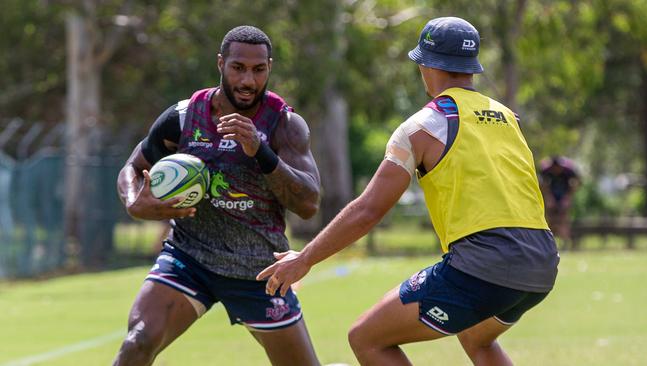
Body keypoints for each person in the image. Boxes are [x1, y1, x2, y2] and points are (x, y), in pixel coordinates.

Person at [258, 17, 560, 366]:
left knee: (367, 338)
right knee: (477, 339)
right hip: (542, 262)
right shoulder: (508, 117)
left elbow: (369, 209)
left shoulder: (422, 126)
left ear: (426, 65)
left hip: (484, 265)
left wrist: (305, 258)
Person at [114, 26, 321, 366]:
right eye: (238, 67)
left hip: (257, 271)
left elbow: (309, 204)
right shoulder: (182, 118)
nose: (248, 81)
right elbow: (133, 168)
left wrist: (261, 151)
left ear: (269, 67)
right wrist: (135, 201)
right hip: (188, 259)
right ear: (221, 64)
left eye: (258, 70)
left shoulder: (284, 124)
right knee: (138, 342)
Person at [540, 156, 581, 246]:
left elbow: (576, 183)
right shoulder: (546, 170)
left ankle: (566, 241)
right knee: (549, 218)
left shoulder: (568, 171)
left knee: (564, 218)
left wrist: (568, 197)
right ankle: (548, 241)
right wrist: (548, 197)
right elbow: (542, 184)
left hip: (564, 196)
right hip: (551, 196)